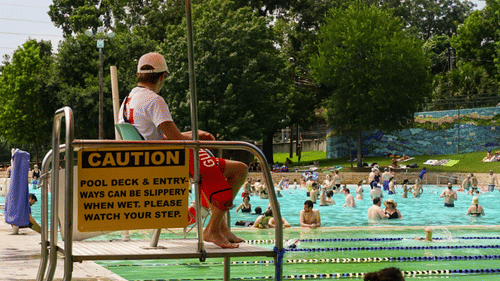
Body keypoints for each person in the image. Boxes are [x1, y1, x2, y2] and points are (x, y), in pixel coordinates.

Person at [118, 52, 248, 248]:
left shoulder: (129, 99)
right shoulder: (154, 100)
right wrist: (194, 139)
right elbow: (176, 141)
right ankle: (213, 229)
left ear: (138, 75)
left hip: (149, 159)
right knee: (239, 169)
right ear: (162, 77)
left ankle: (219, 227)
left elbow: (158, 135)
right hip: (166, 161)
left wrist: (193, 134)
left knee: (231, 166)